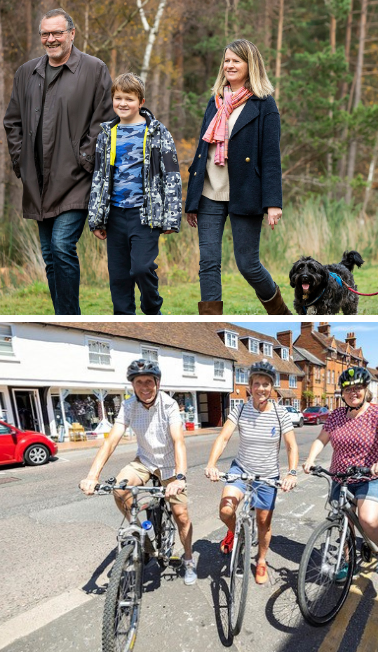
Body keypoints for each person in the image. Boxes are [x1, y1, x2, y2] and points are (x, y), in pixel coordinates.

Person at [3, 8, 115, 315]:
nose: (51, 39)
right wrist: (20, 161)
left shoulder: (94, 69)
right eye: (45, 34)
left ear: (72, 34)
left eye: (57, 33)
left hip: (76, 180)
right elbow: (12, 121)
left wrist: (85, 158)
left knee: (63, 247)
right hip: (38, 182)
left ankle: (71, 318)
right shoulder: (27, 72)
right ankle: (64, 314)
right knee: (50, 256)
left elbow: (105, 120)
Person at [185, 39, 288, 316]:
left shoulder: (264, 105)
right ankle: (210, 325)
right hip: (209, 192)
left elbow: (270, 157)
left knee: (248, 264)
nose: (229, 65)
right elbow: (201, 150)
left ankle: (281, 313)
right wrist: (191, 200)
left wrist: (273, 202)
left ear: (249, 65)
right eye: (227, 60)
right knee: (208, 262)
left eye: (236, 61)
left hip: (245, 192)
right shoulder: (215, 101)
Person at [79, 360, 197, 585]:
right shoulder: (128, 406)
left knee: (181, 515)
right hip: (144, 462)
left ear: (157, 383)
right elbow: (111, 440)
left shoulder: (169, 405)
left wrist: (180, 477)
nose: (145, 387)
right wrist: (92, 476)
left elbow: (179, 441)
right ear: (133, 385)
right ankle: (142, 539)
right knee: (119, 489)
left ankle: (189, 559)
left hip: (171, 466)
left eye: (149, 382)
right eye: (139, 382)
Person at [87, 73, 182, 315]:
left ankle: (152, 309)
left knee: (141, 268)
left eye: (129, 98)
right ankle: (123, 316)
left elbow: (171, 175)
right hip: (115, 215)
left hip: (145, 215)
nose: (123, 103)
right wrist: (96, 218)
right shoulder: (107, 134)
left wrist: (171, 218)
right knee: (119, 277)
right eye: (118, 98)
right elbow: (98, 178)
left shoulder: (157, 132)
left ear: (141, 101)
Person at [204, 360, 298, 584]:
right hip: (241, 469)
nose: (261, 388)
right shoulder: (241, 408)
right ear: (250, 386)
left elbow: (291, 445)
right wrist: (211, 463)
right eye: (257, 383)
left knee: (264, 522)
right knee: (226, 510)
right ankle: (235, 532)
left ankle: (262, 560)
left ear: (272, 387)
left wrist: (292, 472)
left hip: (267, 475)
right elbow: (224, 437)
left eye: (266, 384)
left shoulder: (280, 413)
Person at [302, 366, 378, 581]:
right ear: (342, 393)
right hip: (341, 477)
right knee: (345, 523)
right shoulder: (336, 415)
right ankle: (347, 561)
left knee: (367, 518)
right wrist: (310, 459)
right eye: (347, 389)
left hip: (370, 476)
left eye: (357, 388)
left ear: (366, 390)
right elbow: (321, 439)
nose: (352, 393)